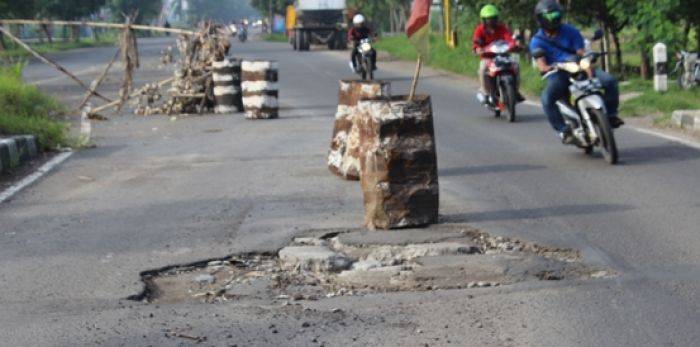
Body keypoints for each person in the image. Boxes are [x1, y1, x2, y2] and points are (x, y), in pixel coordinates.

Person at [529, 0, 624, 144]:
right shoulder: (537, 41)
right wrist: (548, 68)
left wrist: (588, 62)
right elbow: (541, 64)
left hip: (579, 66)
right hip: (558, 72)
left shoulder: (570, 31)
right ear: (540, 19)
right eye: (548, 17)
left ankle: (611, 114)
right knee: (547, 99)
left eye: (555, 15)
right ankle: (562, 130)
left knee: (609, 81)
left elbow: (581, 51)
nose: (552, 19)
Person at [472, 4, 524, 104]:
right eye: (488, 19)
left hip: (503, 56)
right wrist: (478, 49)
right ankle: (485, 92)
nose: (491, 21)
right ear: (484, 20)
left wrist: (514, 45)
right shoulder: (479, 30)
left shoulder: (502, 28)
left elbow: (509, 39)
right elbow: (476, 42)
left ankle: (515, 91)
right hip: (487, 57)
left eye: (493, 18)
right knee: (483, 68)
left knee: (516, 66)